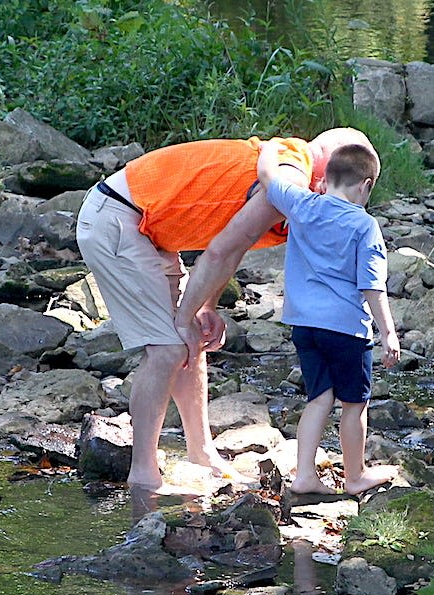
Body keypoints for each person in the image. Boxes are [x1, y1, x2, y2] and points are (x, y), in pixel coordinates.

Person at [76, 128, 371, 492]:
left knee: (192, 339)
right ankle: (143, 475)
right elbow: (218, 252)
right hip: (118, 216)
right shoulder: (291, 176)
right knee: (168, 348)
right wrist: (184, 316)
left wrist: (207, 307)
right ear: (326, 167)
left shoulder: (304, 187)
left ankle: (202, 453)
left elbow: (232, 245)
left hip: (152, 229)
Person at [254, 137, 400, 496]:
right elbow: (371, 286)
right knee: (354, 403)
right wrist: (389, 334)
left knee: (319, 397)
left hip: (304, 326)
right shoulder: (365, 226)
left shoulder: (302, 204)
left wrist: (271, 146)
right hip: (347, 329)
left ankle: (304, 475)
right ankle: (355, 477)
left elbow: (268, 177)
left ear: (325, 178)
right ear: (366, 186)